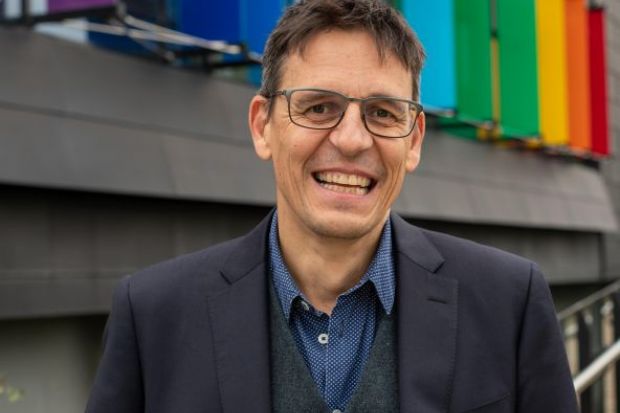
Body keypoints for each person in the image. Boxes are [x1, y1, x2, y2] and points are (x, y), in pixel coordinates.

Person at [86, 0, 579, 412]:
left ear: (414, 141)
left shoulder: (509, 304)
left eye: (382, 113)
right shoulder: (153, 315)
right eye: (319, 107)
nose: (351, 139)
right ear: (262, 126)